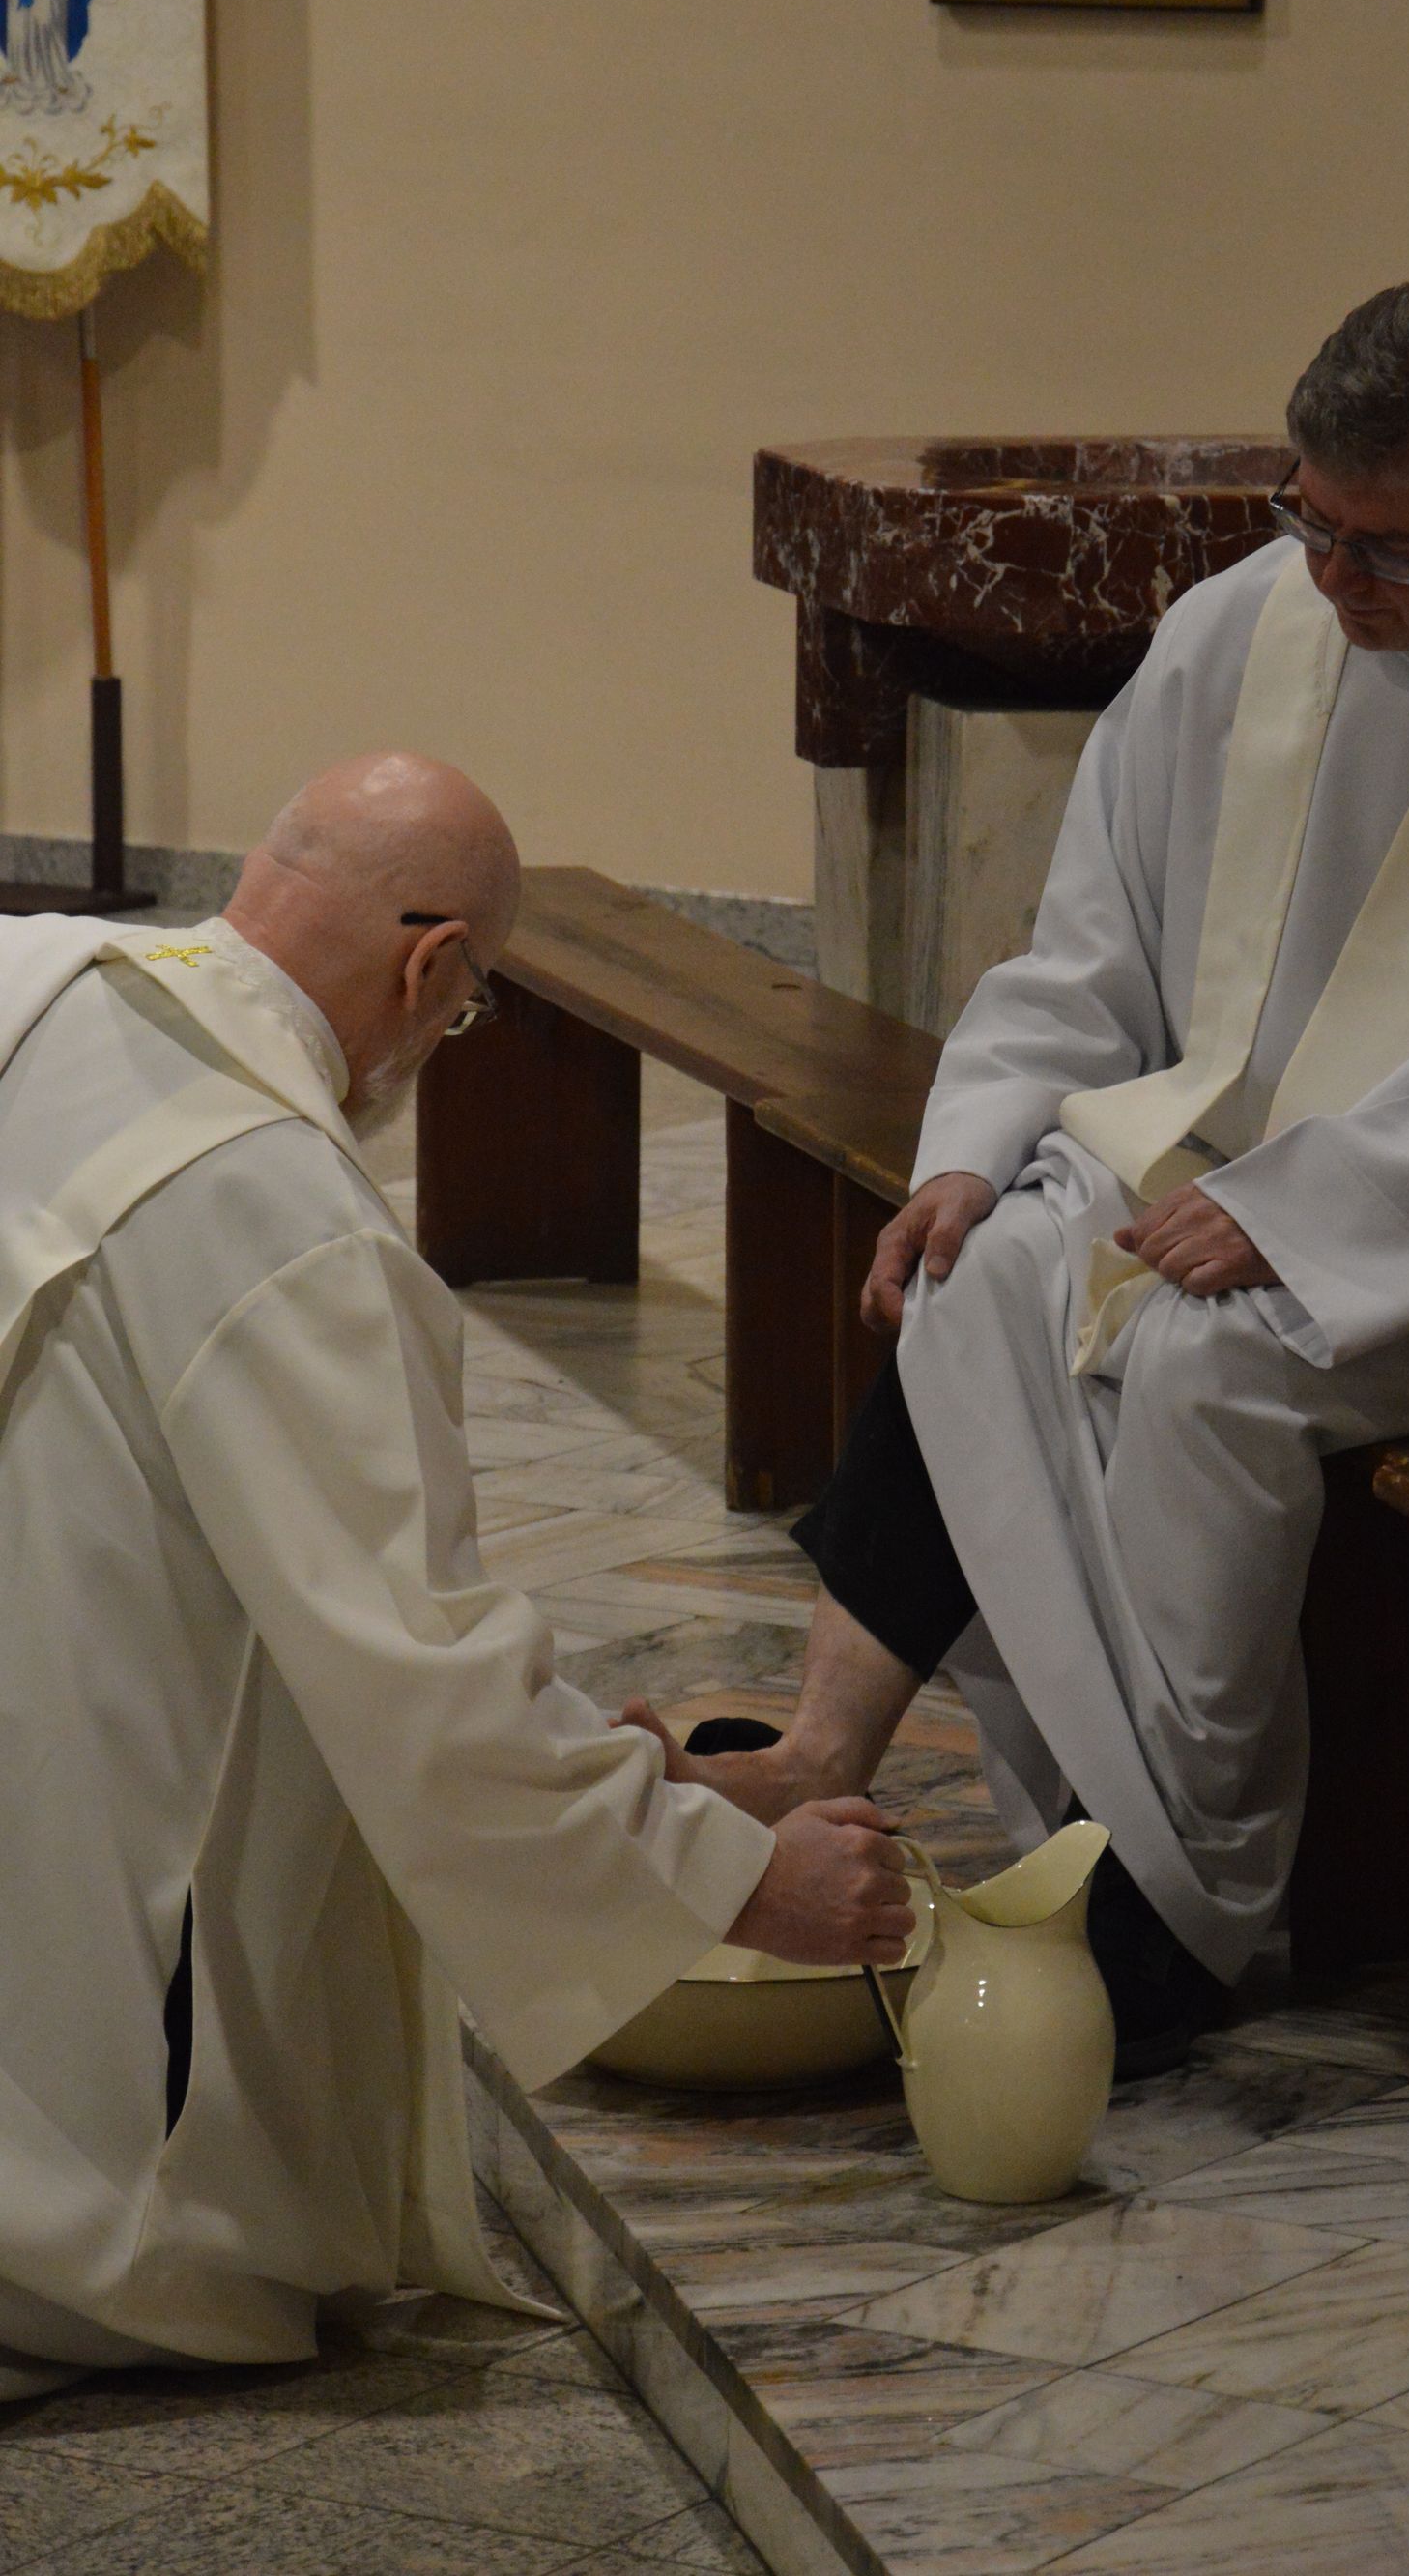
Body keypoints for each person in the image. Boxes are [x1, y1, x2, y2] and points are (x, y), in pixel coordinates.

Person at [673, 283, 1409, 2076]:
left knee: (1201, 1364)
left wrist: (1305, 1212)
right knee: (981, 1275)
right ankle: (864, 1763)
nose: (1332, 579)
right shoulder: (1237, 628)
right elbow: (1088, 950)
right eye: (1308, 520)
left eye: (1384, 550)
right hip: (1215, 1164)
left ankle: (1179, 1902)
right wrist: (975, 1147)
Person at [0, 752, 910, 2398]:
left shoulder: (36, 980)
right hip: (79, 1894)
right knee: (132, 2200)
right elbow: (416, 1667)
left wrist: (615, 1781)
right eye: (468, 1007)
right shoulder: (287, 1219)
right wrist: (730, 1882)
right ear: (430, 969)